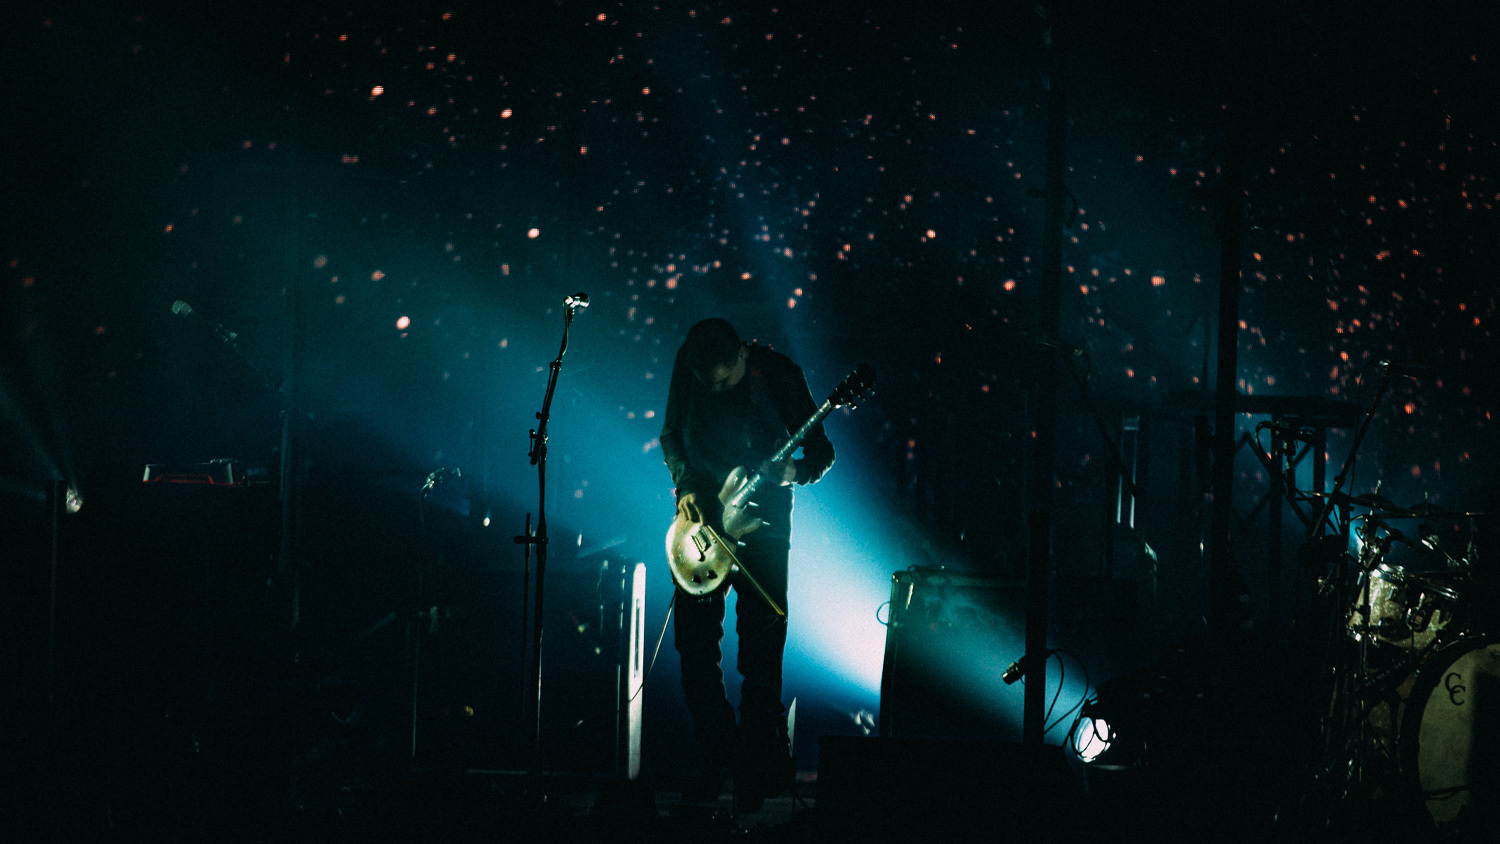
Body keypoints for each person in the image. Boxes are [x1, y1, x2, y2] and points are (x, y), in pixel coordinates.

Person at [659, 318, 835, 806]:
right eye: (706, 382)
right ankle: (720, 760)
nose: (714, 389)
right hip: (703, 528)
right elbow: (671, 435)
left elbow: (822, 452)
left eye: (725, 379)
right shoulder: (688, 361)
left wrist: (793, 470)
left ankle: (758, 773)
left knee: (759, 659)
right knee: (694, 651)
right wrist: (686, 486)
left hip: (765, 531)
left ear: (742, 355)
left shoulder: (778, 373)